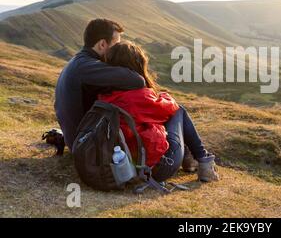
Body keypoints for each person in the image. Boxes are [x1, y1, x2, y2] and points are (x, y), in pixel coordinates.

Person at [98, 41, 219, 183]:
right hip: (157, 168)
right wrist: (163, 96)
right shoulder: (136, 95)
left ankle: (191, 160)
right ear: (136, 65)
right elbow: (169, 108)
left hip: (125, 164)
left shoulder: (105, 93)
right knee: (179, 110)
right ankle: (204, 163)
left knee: (167, 120)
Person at [54, 19, 146, 151]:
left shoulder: (79, 61)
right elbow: (137, 80)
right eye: (116, 45)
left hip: (81, 141)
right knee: (179, 112)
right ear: (102, 44)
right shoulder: (86, 66)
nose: (119, 49)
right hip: (87, 147)